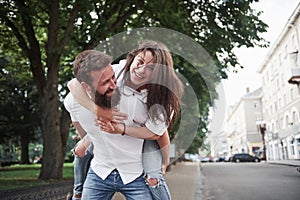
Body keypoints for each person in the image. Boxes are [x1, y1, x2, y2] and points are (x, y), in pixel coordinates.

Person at [68, 40, 184, 200]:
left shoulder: (163, 97)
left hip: (146, 141)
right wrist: (100, 112)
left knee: (154, 176)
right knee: (80, 152)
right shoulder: (116, 72)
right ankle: (77, 193)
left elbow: (156, 134)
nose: (141, 70)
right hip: (104, 158)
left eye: (151, 68)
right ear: (133, 57)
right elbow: (74, 85)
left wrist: (164, 162)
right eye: (140, 61)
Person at [64, 50, 154, 199]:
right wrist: (89, 136)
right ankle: (78, 193)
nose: (114, 84)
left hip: (134, 172)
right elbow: (73, 86)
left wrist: (159, 165)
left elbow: (156, 131)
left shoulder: (126, 86)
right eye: (105, 82)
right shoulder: (73, 103)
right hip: (100, 171)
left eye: (113, 77)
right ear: (86, 87)